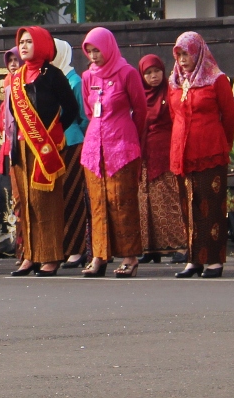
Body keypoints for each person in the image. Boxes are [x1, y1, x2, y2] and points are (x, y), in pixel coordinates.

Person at [4, 27, 82, 277]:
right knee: (25, 202)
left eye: (29, 42)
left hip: (45, 147)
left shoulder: (53, 75)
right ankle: (30, 255)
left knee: (45, 202)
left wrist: (55, 133)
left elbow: (71, 108)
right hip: (22, 146)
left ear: (41, 44)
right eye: (21, 42)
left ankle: (49, 256)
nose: (24, 46)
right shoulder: (17, 78)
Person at [78, 27, 148, 278]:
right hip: (94, 149)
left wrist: (131, 137)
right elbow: (88, 111)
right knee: (97, 203)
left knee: (122, 202)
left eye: (97, 50)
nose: (94, 56)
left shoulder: (127, 73)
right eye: (90, 51)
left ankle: (129, 257)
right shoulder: (87, 77)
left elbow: (140, 110)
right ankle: (99, 255)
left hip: (122, 148)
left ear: (108, 47)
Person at [168, 32, 234, 278]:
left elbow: (230, 116)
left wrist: (222, 143)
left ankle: (214, 260)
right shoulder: (175, 81)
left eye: (186, 53)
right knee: (188, 206)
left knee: (211, 206)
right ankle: (193, 259)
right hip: (182, 153)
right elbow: (174, 116)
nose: (183, 59)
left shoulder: (215, 79)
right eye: (179, 54)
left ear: (198, 52)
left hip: (210, 152)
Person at [132, 55, 184, 264]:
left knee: (168, 198)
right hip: (144, 152)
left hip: (165, 152)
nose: (153, 77)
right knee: (146, 199)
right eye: (148, 73)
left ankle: (180, 245)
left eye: (156, 72)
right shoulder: (139, 95)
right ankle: (151, 247)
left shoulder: (170, 92)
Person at [51, 38, 91, 268]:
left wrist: (77, 137)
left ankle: (77, 249)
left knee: (73, 196)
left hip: (72, 142)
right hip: (49, 144)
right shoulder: (47, 78)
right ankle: (63, 246)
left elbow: (83, 117)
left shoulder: (74, 81)